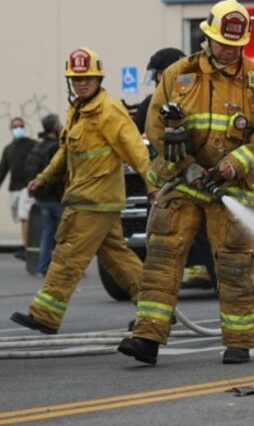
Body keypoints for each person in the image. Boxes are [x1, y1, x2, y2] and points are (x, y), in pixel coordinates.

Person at [118, 0, 254, 365]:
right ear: (208, 36)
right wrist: (185, 163)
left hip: (231, 187)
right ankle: (147, 338)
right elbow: (155, 125)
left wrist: (231, 166)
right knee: (162, 257)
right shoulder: (179, 74)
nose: (230, 50)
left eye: (237, 45)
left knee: (234, 263)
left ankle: (239, 342)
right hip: (182, 181)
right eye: (224, 43)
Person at [9, 47, 154, 335]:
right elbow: (65, 153)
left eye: (87, 78)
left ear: (98, 79)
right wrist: (43, 178)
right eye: (76, 80)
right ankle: (156, 312)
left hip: (93, 200)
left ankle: (46, 314)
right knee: (118, 259)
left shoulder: (109, 110)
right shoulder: (77, 112)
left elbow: (135, 149)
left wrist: (153, 186)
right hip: (91, 199)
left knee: (67, 254)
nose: (81, 83)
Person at [136, 47, 214, 290]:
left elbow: (132, 131)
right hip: (201, 182)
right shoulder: (201, 96)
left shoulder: (154, 103)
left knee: (165, 248)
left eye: (157, 75)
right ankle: (224, 292)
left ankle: (160, 311)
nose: (156, 82)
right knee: (207, 239)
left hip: (173, 186)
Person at [24, 114, 65, 276]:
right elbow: (58, 172)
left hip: (42, 198)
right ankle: (64, 269)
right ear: (55, 128)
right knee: (66, 234)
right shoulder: (56, 147)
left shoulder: (38, 147)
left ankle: (42, 267)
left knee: (47, 232)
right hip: (56, 198)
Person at [0, 117, 37, 260]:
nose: (18, 128)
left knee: (24, 217)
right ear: (11, 129)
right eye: (15, 127)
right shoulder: (8, 149)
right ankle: (29, 246)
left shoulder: (33, 145)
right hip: (13, 189)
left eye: (21, 126)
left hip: (27, 188)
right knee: (20, 217)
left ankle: (27, 249)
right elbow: (3, 170)